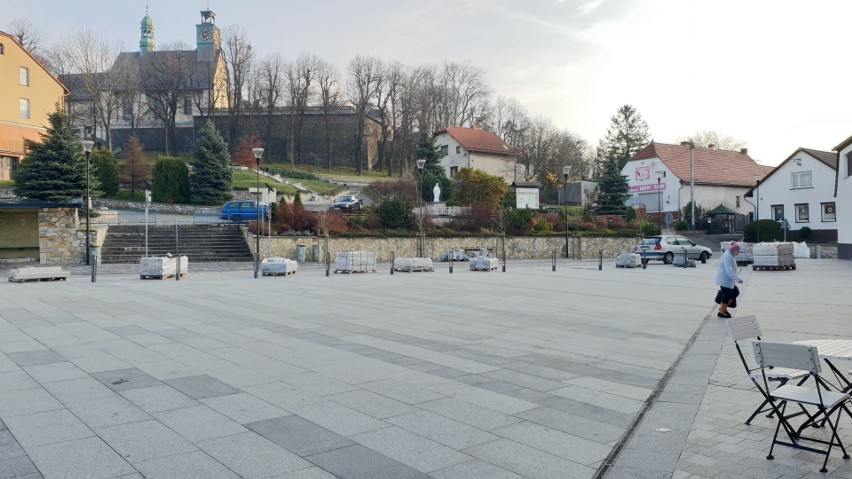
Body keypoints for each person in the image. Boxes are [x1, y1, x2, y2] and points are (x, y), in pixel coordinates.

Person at [715, 242, 743, 318]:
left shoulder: (731, 254)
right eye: (738, 250)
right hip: (725, 280)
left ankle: (723, 308)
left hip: (729, 280)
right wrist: (737, 279)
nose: (739, 252)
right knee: (726, 296)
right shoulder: (728, 256)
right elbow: (729, 270)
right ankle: (721, 312)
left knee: (735, 292)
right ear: (734, 250)